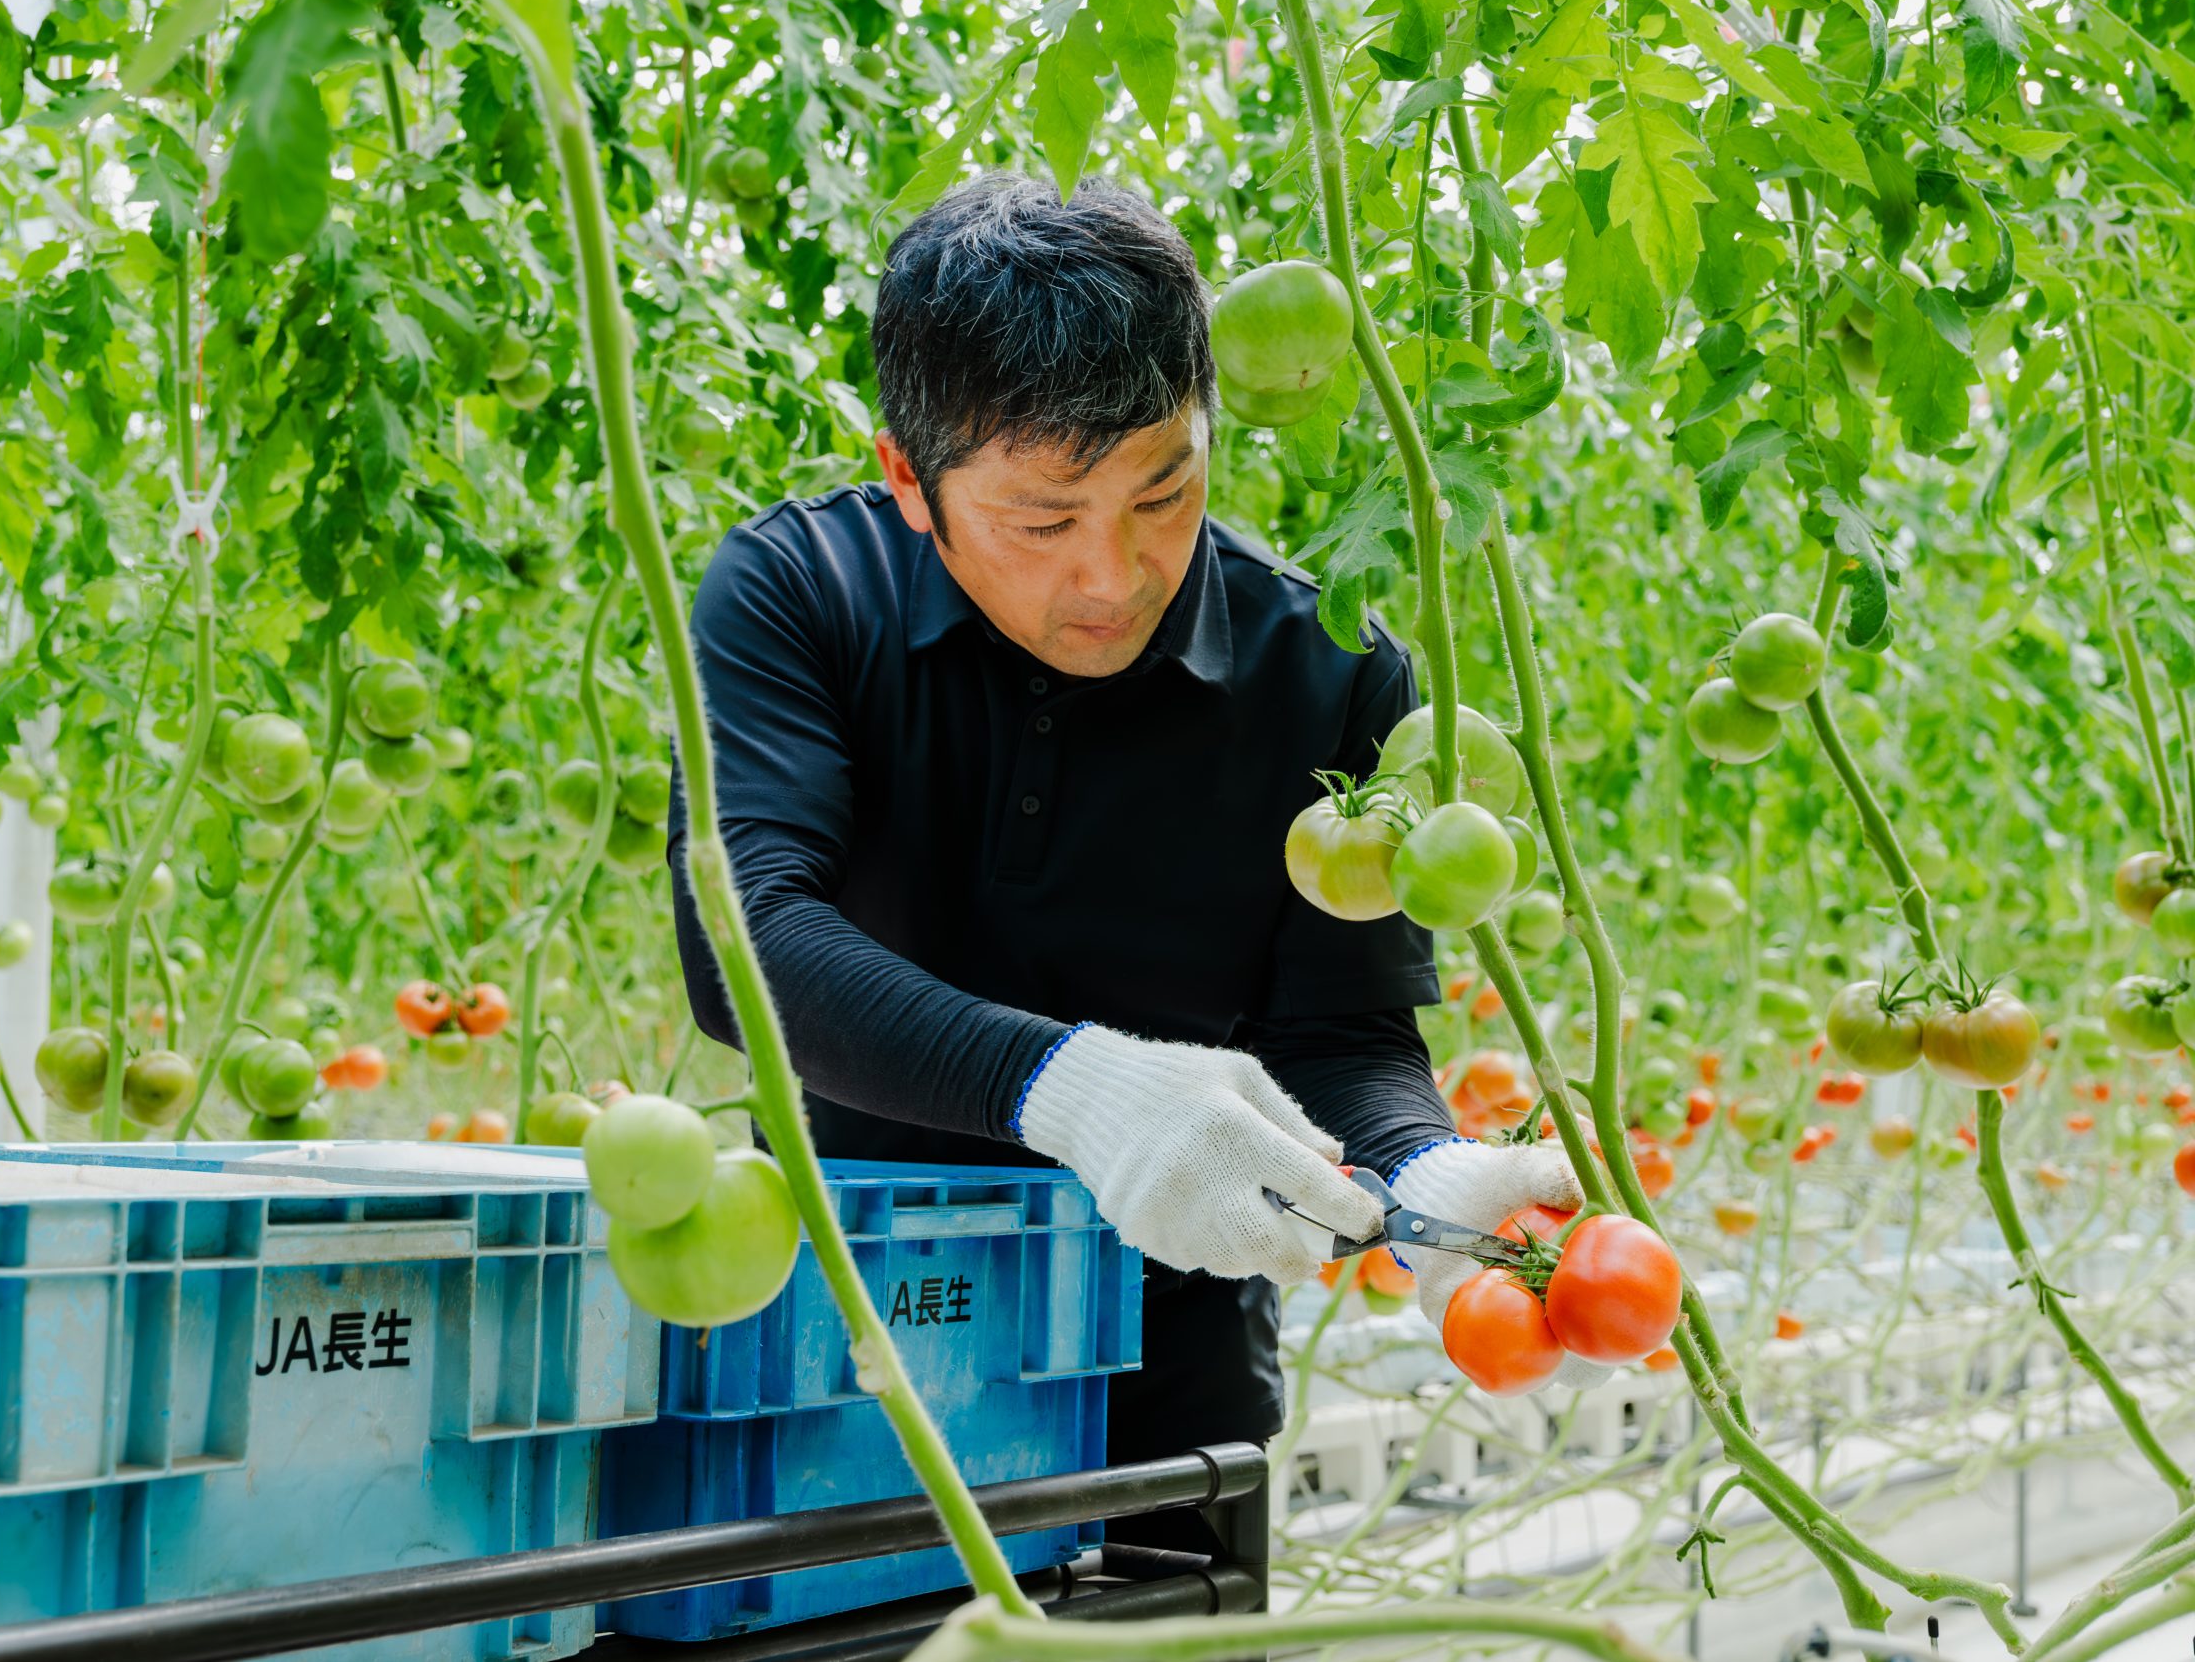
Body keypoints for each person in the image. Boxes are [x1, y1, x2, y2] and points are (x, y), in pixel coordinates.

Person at [666, 174, 1593, 1541]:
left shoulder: (1327, 671)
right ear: (908, 480)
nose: (1114, 575)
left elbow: (1338, 1028)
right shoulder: (800, 597)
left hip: (1168, 1393)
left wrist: (1414, 1168)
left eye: (1165, 493)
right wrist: (1073, 1090)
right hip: (837, 1334)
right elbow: (742, 947)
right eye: (1044, 522)